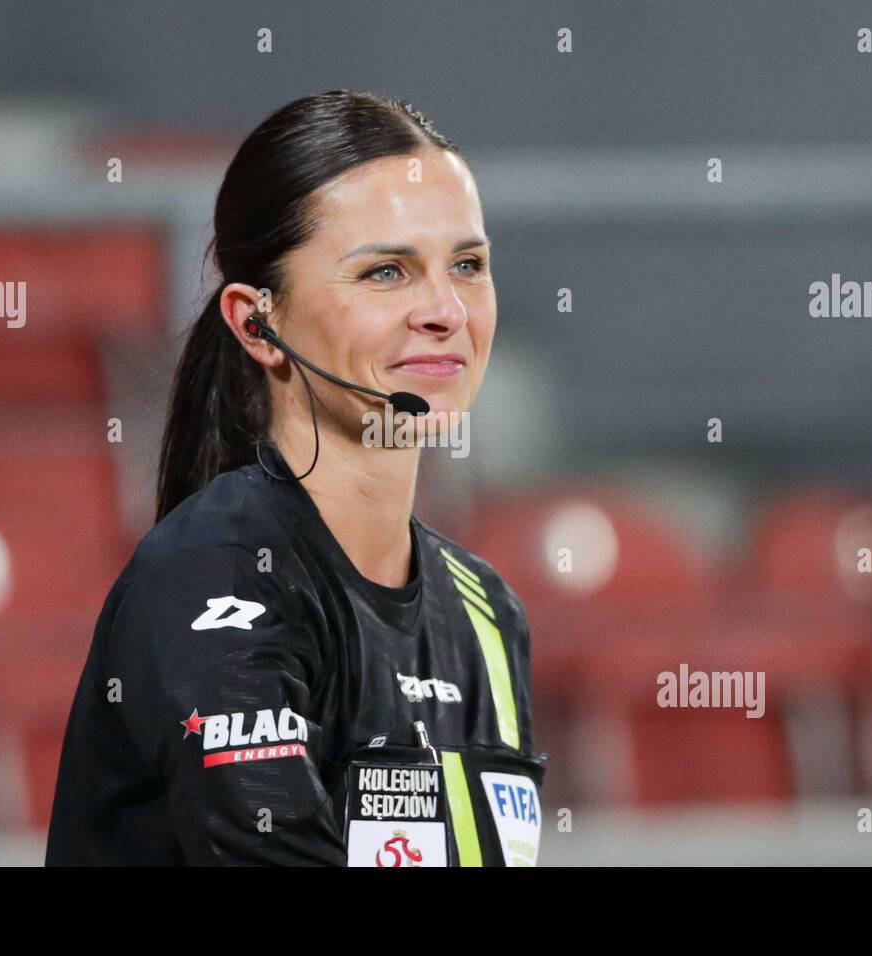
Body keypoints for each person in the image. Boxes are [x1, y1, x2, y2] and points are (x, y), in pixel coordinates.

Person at [45, 89, 544, 866]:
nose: (447, 310)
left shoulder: (486, 612)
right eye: (386, 272)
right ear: (257, 324)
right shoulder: (217, 577)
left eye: (469, 265)